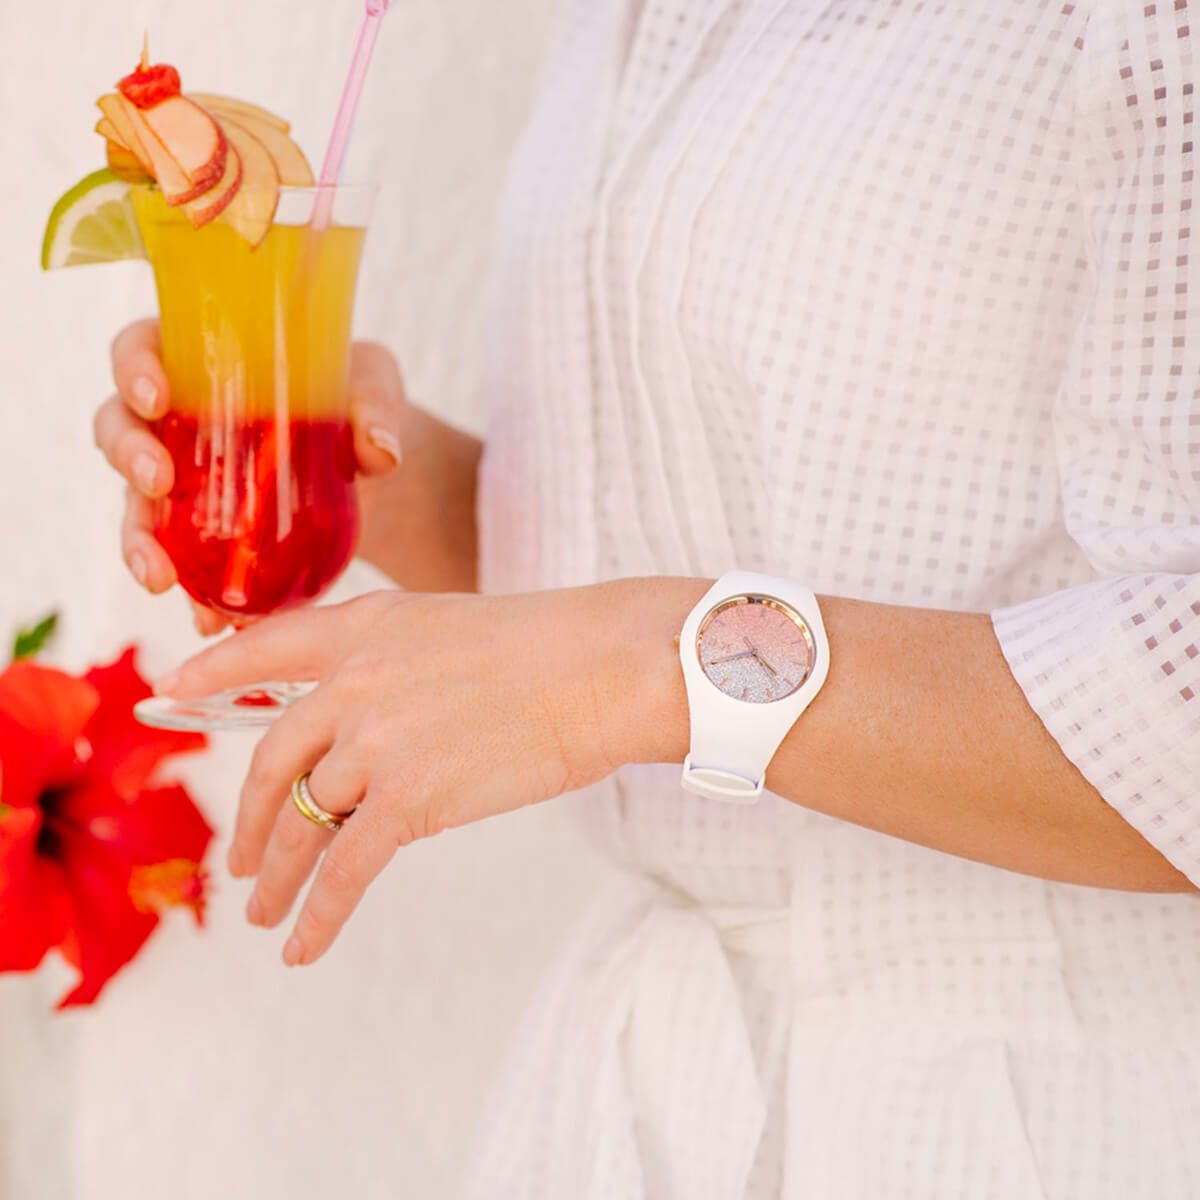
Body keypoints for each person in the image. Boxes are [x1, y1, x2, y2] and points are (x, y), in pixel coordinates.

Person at [94, 1, 1200, 1195]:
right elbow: (597, 604)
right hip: (643, 1098)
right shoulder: (616, 23)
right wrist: (321, 465)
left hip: (1041, 1103)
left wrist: (631, 663)